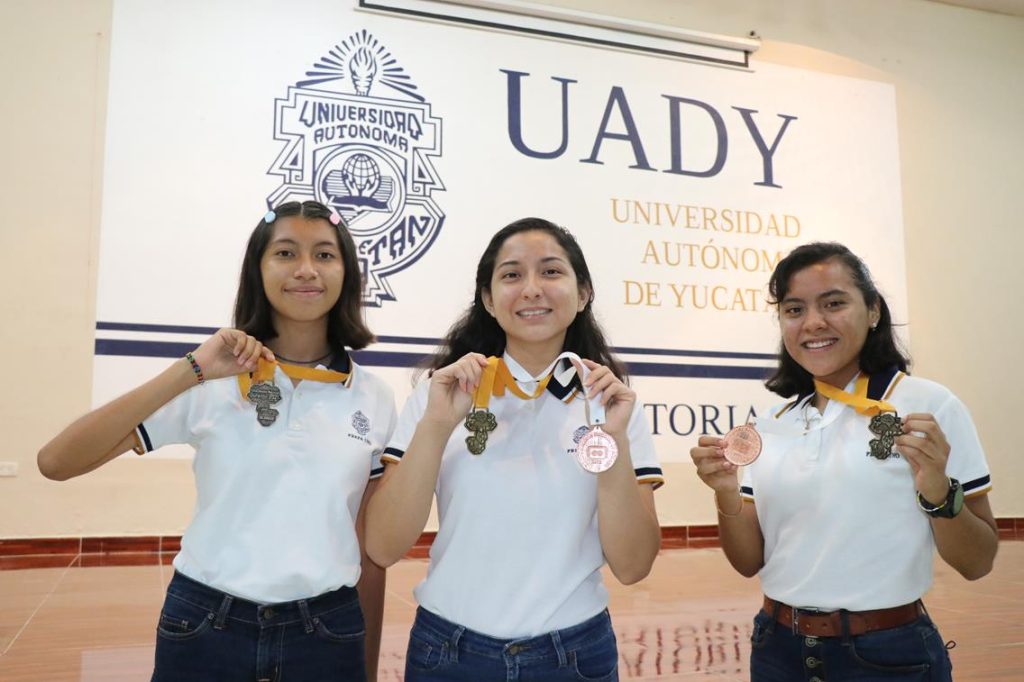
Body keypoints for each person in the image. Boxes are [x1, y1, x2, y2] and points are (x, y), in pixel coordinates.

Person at [38, 200, 395, 682]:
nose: (306, 270)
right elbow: (56, 461)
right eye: (286, 254)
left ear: (347, 272)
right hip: (205, 624)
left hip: (327, 633)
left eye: (325, 255)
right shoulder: (212, 379)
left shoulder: (373, 397)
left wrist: (367, 671)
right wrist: (192, 370)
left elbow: (370, 553)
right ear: (259, 269)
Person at [365, 217, 664, 681]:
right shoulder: (442, 393)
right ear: (487, 298)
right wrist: (438, 425)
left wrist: (615, 442)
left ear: (583, 293)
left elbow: (633, 566)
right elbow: (384, 546)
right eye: (511, 275)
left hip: (574, 656)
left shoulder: (610, 403)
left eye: (550, 271)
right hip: (448, 652)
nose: (531, 289)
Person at [690, 241, 998, 681]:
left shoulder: (927, 407)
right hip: (777, 650)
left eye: (834, 303)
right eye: (794, 310)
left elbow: (978, 562)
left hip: (887, 656)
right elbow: (747, 562)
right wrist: (724, 493)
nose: (813, 323)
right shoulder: (773, 422)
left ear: (873, 311)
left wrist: (936, 489)